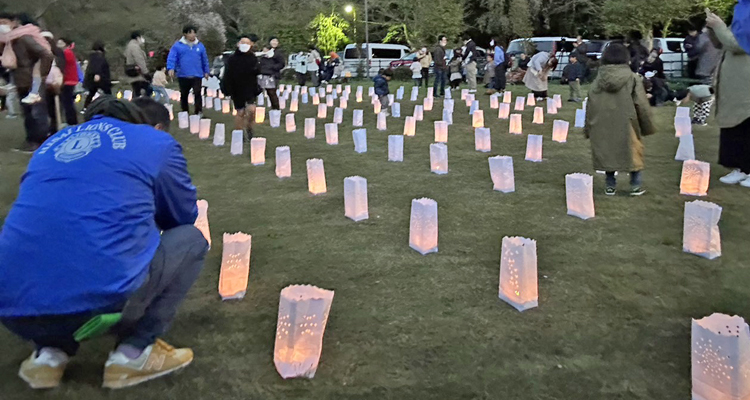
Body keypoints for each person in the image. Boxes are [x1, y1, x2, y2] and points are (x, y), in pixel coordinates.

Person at [0, 95, 208, 390]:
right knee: (191, 240)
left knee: (51, 249)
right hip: (98, 302)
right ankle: (133, 353)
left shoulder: (50, 145)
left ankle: (48, 356)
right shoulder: (153, 140)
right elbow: (182, 215)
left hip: (12, 308)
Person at [584, 43, 655, 196]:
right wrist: (647, 126)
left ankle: (610, 185)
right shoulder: (632, 78)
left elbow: (590, 104)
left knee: (608, 151)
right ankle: (635, 185)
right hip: (627, 122)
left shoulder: (597, 80)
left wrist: (588, 127)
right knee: (632, 152)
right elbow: (641, 103)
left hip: (602, 122)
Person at [705, 8, 750, 187]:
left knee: (747, 125)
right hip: (734, 86)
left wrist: (719, 26)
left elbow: (737, 44)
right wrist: (712, 28)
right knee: (733, 125)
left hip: (746, 86)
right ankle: (740, 168)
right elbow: (722, 43)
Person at [0, 12, 54, 152]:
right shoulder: (7, 42)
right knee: (27, 113)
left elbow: (46, 54)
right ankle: (31, 141)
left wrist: (41, 73)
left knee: (37, 113)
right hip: (20, 81)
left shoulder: (24, 38)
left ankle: (42, 142)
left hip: (32, 81)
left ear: (14, 22)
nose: (1, 26)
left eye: (4, 22)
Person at [222, 34, 260, 141]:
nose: (245, 45)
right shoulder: (232, 59)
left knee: (252, 110)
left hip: (250, 87)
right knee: (240, 112)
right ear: (238, 44)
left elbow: (256, 71)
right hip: (236, 88)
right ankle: (239, 134)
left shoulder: (253, 58)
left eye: (247, 43)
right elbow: (227, 75)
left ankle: (249, 128)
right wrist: (227, 89)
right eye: (243, 43)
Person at [167, 26, 209, 115]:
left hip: (197, 74)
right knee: (184, 94)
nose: (192, 35)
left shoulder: (200, 46)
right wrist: (171, 68)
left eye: (194, 33)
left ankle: (198, 111)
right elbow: (172, 57)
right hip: (183, 74)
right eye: (190, 33)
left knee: (197, 93)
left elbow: (204, 59)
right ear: (185, 34)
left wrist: (206, 71)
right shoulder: (178, 46)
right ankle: (185, 111)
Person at [56, 38, 79, 127]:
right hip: (70, 80)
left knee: (67, 102)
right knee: (68, 101)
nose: (58, 44)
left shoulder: (66, 53)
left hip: (68, 80)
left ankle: (71, 121)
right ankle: (71, 120)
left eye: (61, 43)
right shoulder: (69, 52)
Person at [257, 36, 285, 110]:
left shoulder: (278, 53)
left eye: (276, 41)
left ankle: (276, 109)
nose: (274, 42)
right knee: (257, 91)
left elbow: (281, 64)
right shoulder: (263, 52)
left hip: (273, 75)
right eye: (273, 41)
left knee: (272, 93)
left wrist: (272, 67)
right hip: (262, 75)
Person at [83, 40, 111, 110]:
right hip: (101, 78)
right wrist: (97, 74)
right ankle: (111, 104)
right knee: (107, 92)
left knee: (92, 92)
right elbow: (98, 66)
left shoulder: (92, 56)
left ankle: (86, 106)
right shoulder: (99, 56)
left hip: (93, 78)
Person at [124, 31, 151, 99]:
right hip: (138, 74)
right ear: (138, 38)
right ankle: (143, 106)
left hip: (133, 74)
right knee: (147, 90)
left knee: (136, 92)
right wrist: (146, 73)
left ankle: (135, 106)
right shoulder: (135, 47)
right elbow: (140, 60)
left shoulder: (129, 46)